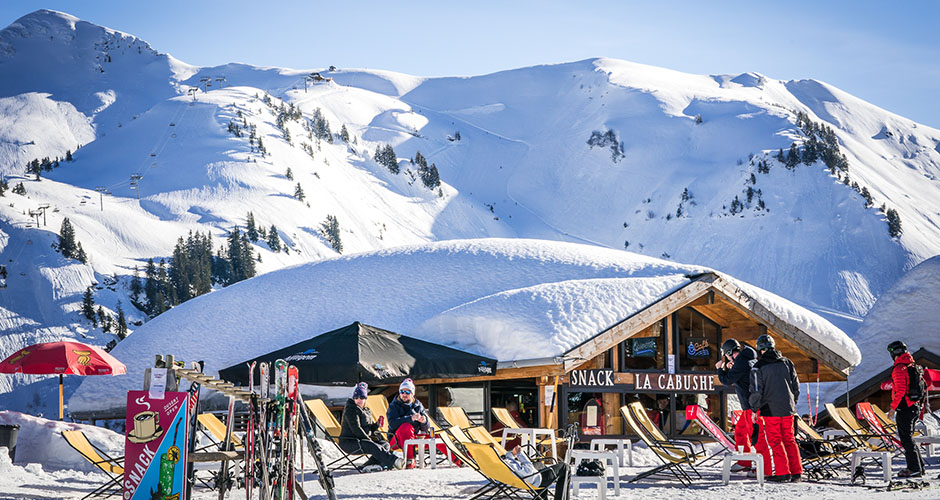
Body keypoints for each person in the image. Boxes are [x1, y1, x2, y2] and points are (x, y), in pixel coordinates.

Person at [749, 334, 802, 482]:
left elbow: (756, 391)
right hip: (788, 409)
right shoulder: (787, 362)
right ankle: (796, 472)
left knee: (775, 440)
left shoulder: (758, 367)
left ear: (760, 350)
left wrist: (754, 408)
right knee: (790, 439)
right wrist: (792, 402)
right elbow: (796, 386)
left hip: (770, 409)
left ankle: (782, 472)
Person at [339, 382, 403, 471]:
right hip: (350, 442)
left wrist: (376, 424)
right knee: (372, 446)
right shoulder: (351, 409)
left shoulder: (366, 410)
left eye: (361, 397)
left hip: (362, 440)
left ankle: (367, 465)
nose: (358, 400)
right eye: (356, 397)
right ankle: (394, 461)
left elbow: (369, 428)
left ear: (365, 399)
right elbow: (356, 428)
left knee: (385, 444)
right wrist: (368, 440)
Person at [387, 378, 450, 468]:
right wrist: (410, 418)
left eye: (407, 392)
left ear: (412, 394)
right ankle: (410, 460)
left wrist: (424, 421)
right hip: (397, 439)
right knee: (406, 427)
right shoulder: (393, 406)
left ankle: (459, 460)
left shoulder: (418, 405)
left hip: (415, 437)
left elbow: (425, 428)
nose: (404, 394)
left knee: (438, 437)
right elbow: (392, 424)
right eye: (402, 392)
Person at [716, 338, 757, 473]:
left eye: (726, 355)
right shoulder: (746, 360)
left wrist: (720, 369)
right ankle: (745, 461)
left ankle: (761, 468)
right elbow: (740, 375)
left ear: (729, 352)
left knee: (756, 437)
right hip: (749, 405)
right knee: (740, 432)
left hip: (751, 407)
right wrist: (733, 367)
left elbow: (727, 381)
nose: (727, 358)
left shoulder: (742, 363)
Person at [886, 340, 925, 478]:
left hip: (905, 408)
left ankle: (913, 469)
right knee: (909, 439)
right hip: (914, 406)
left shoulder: (899, 369)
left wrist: (892, 408)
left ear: (894, 353)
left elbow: (900, 391)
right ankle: (919, 467)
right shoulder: (911, 365)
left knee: (906, 439)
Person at [502, 444, 570, 500]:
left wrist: (510, 454)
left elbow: (511, 463)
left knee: (540, 464)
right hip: (536, 479)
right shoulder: (507, 464)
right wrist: (520, 454)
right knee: (565, 468)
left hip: (527, 478)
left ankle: (541, 498)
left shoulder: (498, 464)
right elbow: (528, 471)